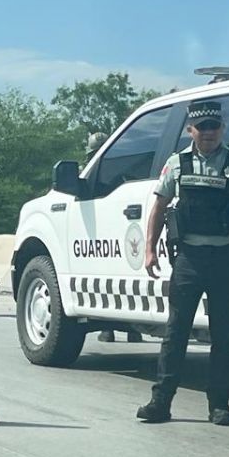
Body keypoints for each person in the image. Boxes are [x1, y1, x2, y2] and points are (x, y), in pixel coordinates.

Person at [137, 101, 229, 426]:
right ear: (190, 130)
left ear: (222, 129)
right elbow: (160, 206)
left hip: (227, 258)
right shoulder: (177, 163)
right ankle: (160, 401)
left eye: (214, 126)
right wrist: (149, 250)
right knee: (176, 332)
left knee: (224, 336)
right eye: (202, 127)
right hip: (190, 260)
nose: (209, 133)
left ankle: (219, 406)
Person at [87, 132, 143, 344]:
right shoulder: (124, 174)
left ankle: (114, 328)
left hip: (110, 235)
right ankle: (128, 330)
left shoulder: (100, 177)